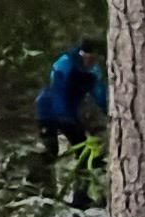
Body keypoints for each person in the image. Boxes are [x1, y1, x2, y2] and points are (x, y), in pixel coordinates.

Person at [37, 39, 107, 183]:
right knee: (50, 151)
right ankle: (41, 189)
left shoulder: (94, 71)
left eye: (95, 59)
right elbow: (58, 91)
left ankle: (80, 197)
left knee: (84, 154)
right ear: (82, 54)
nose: (92, 62)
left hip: (69, 113)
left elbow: (99, 93)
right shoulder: (65, 63)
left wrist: (108, 111)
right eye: (89, 58)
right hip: (48, 112)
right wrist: (65, 116)